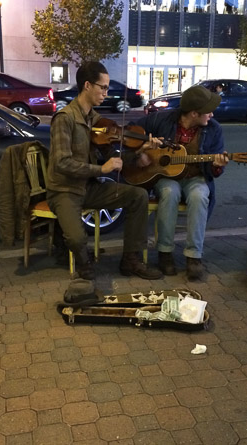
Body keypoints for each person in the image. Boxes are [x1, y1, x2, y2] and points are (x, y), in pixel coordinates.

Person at [47, 61, 162, 299]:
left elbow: (113, 152)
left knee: (137, 196)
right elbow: (61, 163)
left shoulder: (94, 118)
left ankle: (130, 259)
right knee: (78, 238)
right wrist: (101, 170)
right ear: (87, 85)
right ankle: (84, 267)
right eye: (103, 88)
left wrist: (140, 153)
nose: (106, 93)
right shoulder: (64, 119)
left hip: (88, 187)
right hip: (65, 190)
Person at [136, 85, 229, 280]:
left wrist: (218, 166)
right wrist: (143, 148)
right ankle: (165, 252)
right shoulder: (163, 119)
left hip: (196, 177)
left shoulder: (214, 129)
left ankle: (194, 256)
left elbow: (214, 171)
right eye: (208, 111)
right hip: (166, 177)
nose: (211, 114)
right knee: (170, 193)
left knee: (199, 195)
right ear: (194, 113)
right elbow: (131, 132)